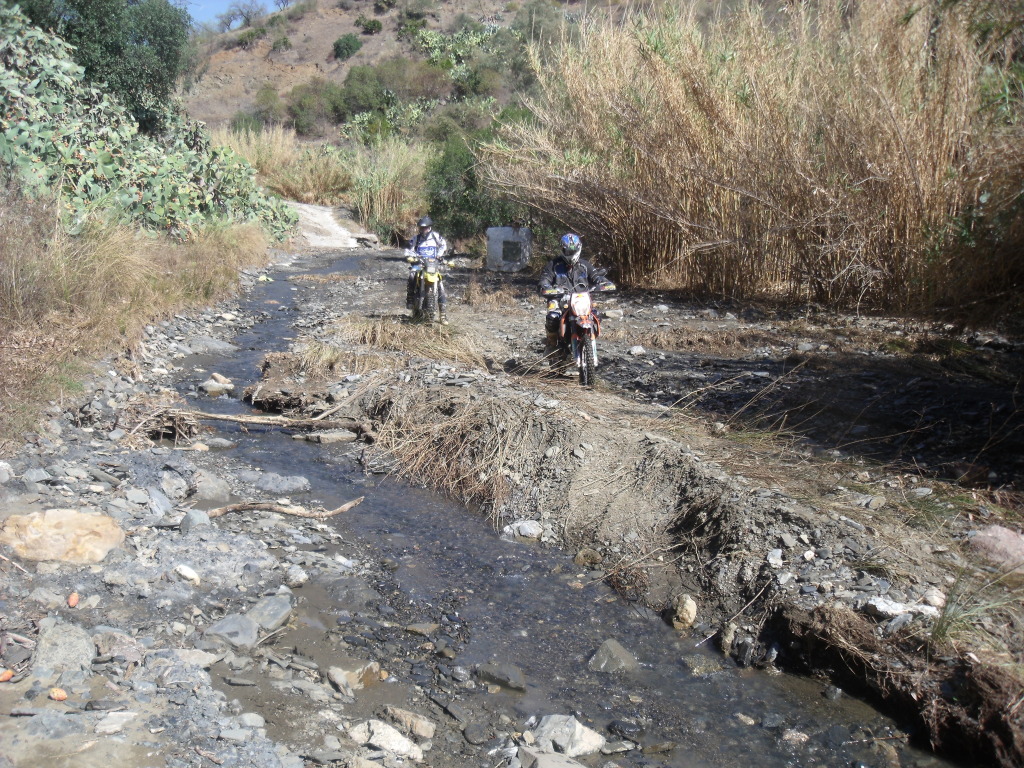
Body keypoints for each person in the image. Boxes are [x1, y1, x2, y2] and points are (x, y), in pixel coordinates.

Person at [538, 233, 610, 356]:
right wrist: (545, 287)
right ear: (562, 249)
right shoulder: (554, 265)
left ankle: (588, 341)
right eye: (567, 250)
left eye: (573, 250)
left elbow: (596, 276)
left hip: (581, 299)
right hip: (560, 299)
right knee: (552, 317)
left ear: (579, 248)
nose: (570, 253)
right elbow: (545, 279)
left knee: (596, 315)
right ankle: (552, 344)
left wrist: (604, 282)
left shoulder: (584, 265)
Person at [405, 215, 450, 323]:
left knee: (440, 285)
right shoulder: (416, 238)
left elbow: (443, 245)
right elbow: (409, 249)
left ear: (429, 227)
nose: (423, 230)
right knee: (412, 275)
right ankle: (410, 298)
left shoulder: (435, 236)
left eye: (425, 227)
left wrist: (439, 255)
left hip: (432, 264)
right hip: (420, 263)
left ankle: (443, 315)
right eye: (421, 228)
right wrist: (410, 256)